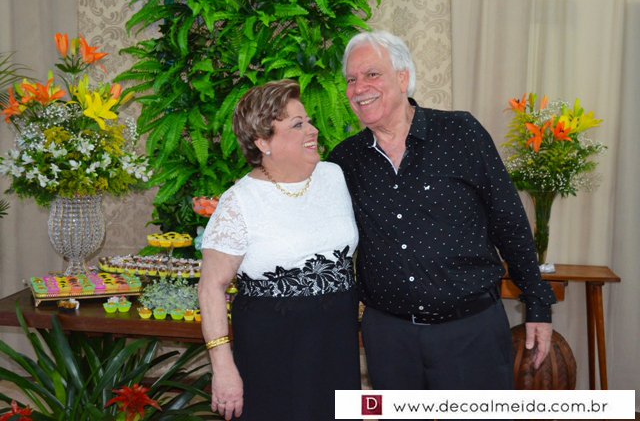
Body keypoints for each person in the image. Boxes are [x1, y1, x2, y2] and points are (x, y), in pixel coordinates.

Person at [328, 31, 558, 392]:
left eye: (372, 74)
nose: (359, 88)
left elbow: (509, 221)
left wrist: (538, 305)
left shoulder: (460, 132)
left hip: (471, 332)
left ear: (402, 77)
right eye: (351, 80)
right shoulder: (344, 160)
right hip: (389, 339)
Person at [198, 79, 361, 421]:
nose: (312, 130)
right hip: (271, 355)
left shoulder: (335, 176)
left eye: (309, 120)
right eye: (298, 124)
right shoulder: (239, 202)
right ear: (263, 142)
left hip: (336, 346)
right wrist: (223, 368)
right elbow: (211, 286)